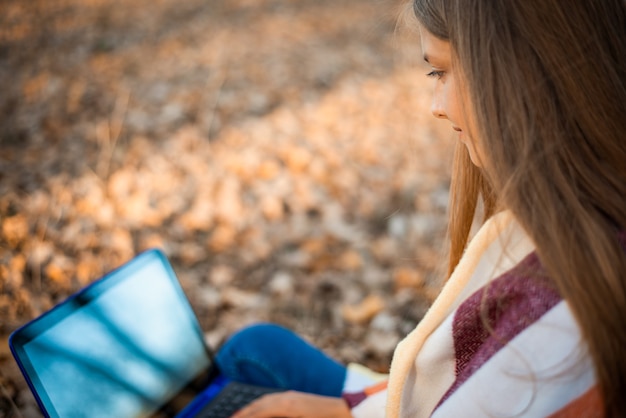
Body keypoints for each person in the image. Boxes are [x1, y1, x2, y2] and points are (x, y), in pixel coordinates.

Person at [214, 0, 626, 416]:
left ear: (525, 74)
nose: (437, 105)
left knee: (244, 363)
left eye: (442, 71)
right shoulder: (580, 231)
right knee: (255, 349)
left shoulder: (561, 308)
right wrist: (348, 410)